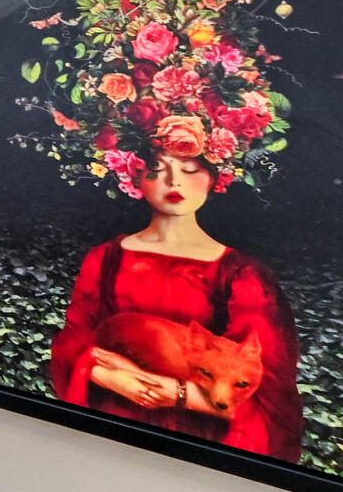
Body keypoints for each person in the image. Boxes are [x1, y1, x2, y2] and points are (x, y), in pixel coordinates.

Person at [47, 134, 304, 462]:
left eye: (190, 169)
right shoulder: (106, 258)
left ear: (214, 176)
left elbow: (264, 388)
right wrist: (107, 376)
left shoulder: (243, 275)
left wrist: (173, 392)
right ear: (133, 175)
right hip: (110, 424)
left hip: (198, 444)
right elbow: (74, 340)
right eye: (156, 168)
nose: (174, 181)